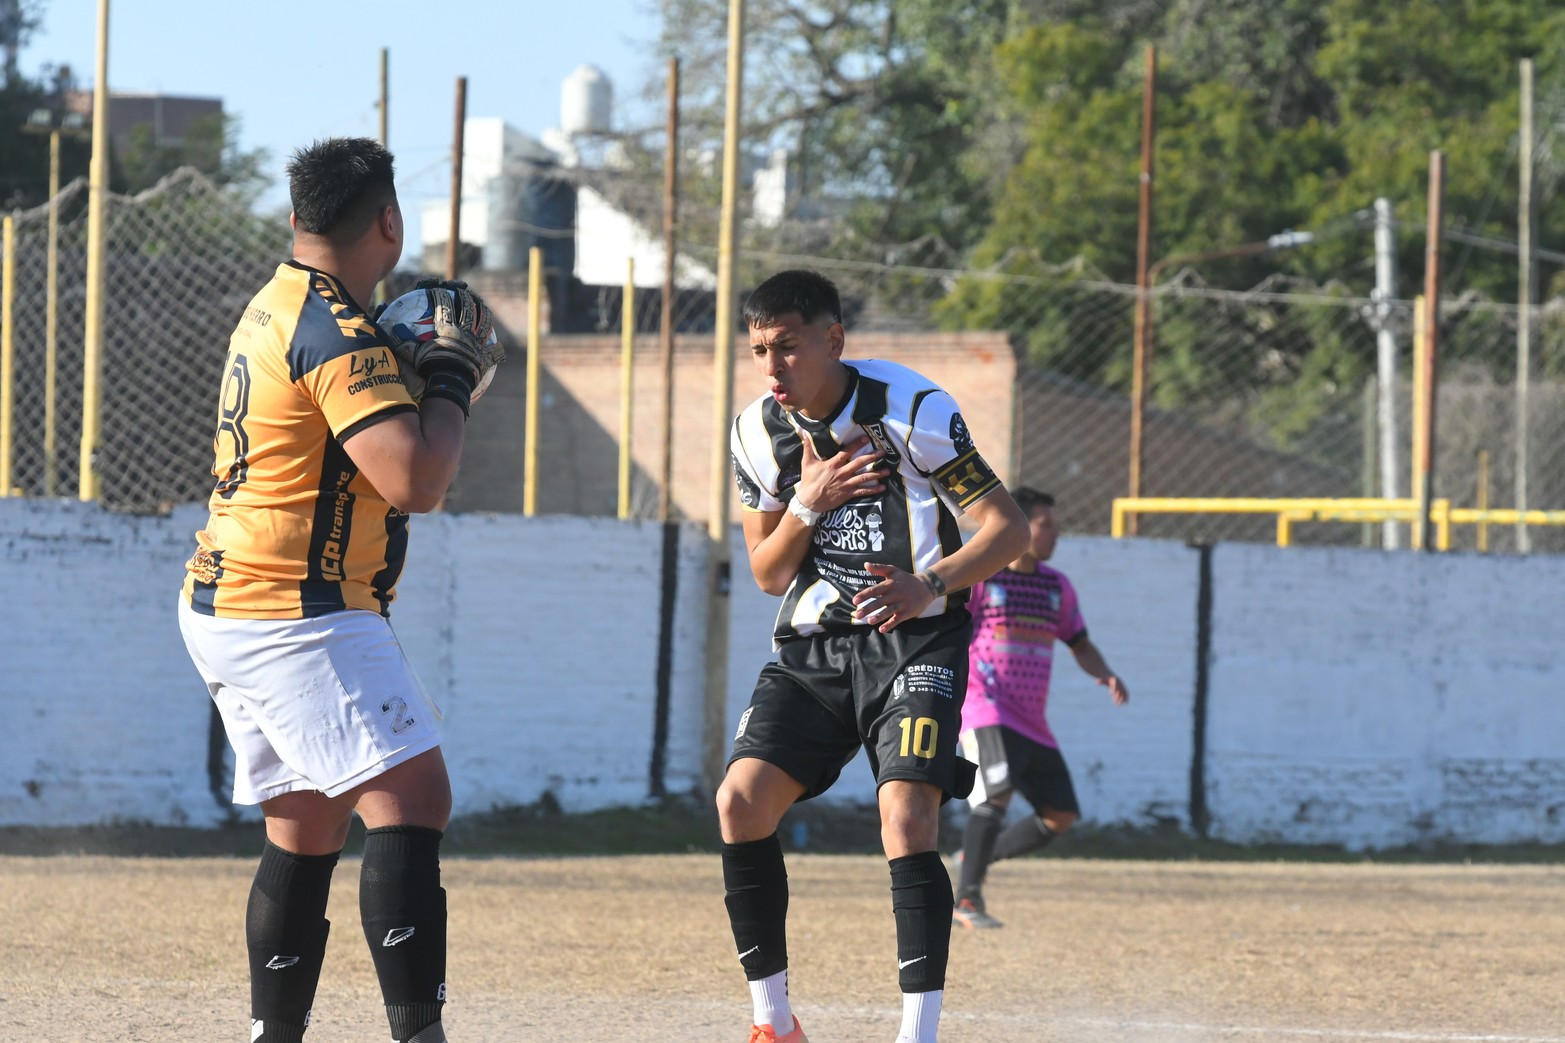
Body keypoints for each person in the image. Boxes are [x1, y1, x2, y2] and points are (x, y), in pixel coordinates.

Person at [176, 137, 501, 1043]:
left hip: (232, 599)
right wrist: (447, 379)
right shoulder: (335, 326)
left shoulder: (273, 303)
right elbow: (416, 482)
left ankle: (271, 1034)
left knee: (308, 821)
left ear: (295, 220)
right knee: (413, 798)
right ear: (388, 224)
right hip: (295, 609)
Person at [719, 269, 1030, 1043]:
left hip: (916, 641)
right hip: (815, 649)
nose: (772, 367)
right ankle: (772, 1024)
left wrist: (929, 585)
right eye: (759, 350)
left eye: (787, 346)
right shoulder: (756, 432)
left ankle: (915, 1034)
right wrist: (806, 500)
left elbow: (1007, 529)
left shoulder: (914, 409)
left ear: (832, 339)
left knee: (905, 814)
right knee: (738, 802)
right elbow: (766, 573)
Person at [951, 488, 1130, 930]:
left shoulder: (1057, 587)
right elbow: (949, 625)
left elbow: (1079, 643)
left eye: (1054, 524)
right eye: (1045, 524)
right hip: (985, 707)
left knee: (1060, 814)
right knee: (996, 792)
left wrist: (1104, 672)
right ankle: (967, 900)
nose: (1054, 532)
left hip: (1032, 720)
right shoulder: (983, 578)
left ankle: (974, 857)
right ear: (1017, 524)